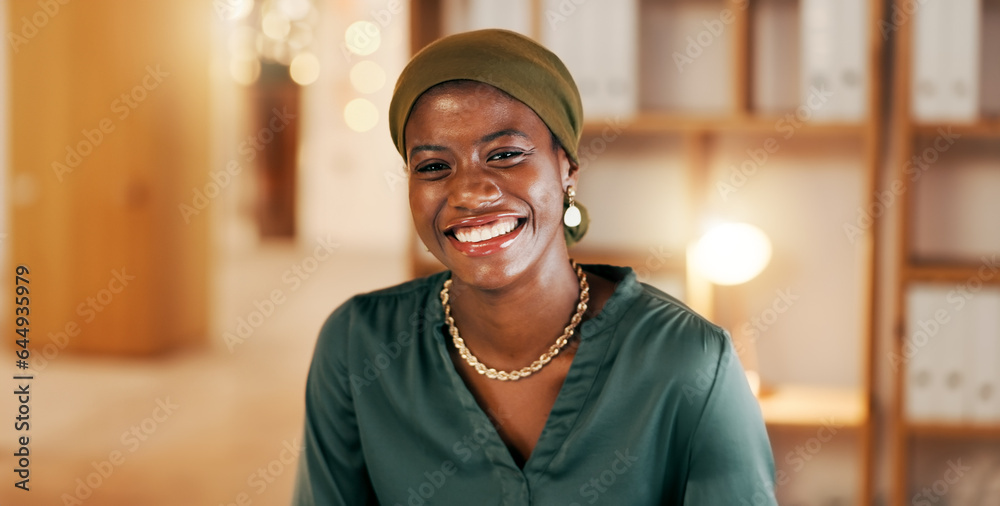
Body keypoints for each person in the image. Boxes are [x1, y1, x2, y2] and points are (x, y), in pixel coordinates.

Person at [292, 29, 777, 505]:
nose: (469, 192)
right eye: (434, 167)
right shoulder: (358, 346)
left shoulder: (689, 361)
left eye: (505, 155)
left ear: (567, 168)